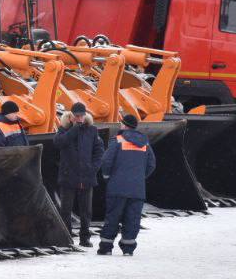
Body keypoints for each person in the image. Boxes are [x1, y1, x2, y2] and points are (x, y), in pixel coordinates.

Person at [97, 113, 157, 256]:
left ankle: (106, 247)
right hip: (137, 189)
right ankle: (128, 248)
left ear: (124, 125)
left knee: (113, 217)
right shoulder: (145, 143)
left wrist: (107, 176)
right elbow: (151, 164)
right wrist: (139, 177)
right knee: (132, 218)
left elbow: (106, 161)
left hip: (117, 188)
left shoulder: (118, 140)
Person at [52, 101, 105, 247]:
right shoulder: (63, 130)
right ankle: (67, 238)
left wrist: (93, 167)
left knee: (86, 211)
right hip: (68, 176)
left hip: (86, 176)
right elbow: (58, 143)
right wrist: (74, 129)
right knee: (66, 210)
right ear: (71, 117)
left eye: (82, 115)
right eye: (77, 116)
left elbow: (99, 151)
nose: (80, 118)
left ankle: (84, 238)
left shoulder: (92, 130)